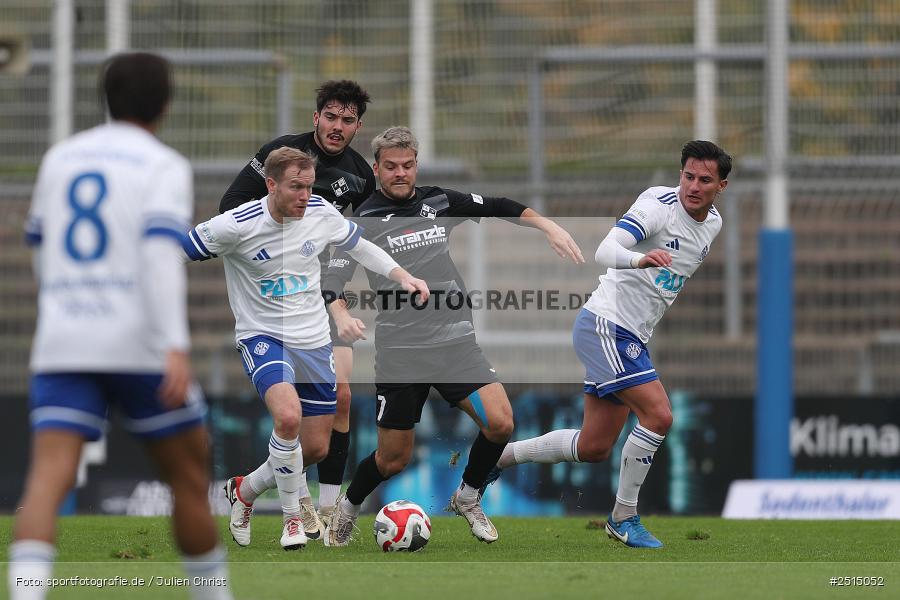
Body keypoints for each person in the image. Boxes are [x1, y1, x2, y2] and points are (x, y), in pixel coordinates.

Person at [9, 53, 232, 600]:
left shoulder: (61, 157)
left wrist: (62, 306)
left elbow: (37, 243)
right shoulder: (163, 165)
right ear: (165, 105)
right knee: (188, 474)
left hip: (64, 342)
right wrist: (174, 346)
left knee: (47, 477)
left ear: (104, 98)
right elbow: (160, 258)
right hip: (139, 346)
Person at [320, 126, 584, 547]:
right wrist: (341, 314)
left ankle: (469, 496)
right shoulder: (360, 222)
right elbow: (332, 280)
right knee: (394, 459)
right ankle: (347, 508)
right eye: (391, 167)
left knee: (501, 423)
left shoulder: (438, 201)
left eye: (407, 165)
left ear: (416, 165)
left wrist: (548, 227)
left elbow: (499, 205)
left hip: (456, 344)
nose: (400, 173)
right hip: (401, 353)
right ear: (377, 168)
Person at [483, 140, 731, 548]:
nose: (693, 186)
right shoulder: (658, 206)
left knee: (594, 446)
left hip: (631, 333)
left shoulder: (714, 223)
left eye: (705, 180)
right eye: (688, 176)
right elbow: (604, 250)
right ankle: (624, 517)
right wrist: (640, 259)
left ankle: (498, 458)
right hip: (606, 325)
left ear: (721, 186)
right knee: (660, 416)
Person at [184, 146, 428, 550]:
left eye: (309, 186)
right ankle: (293, 520)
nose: (305, 195)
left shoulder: (319, 212)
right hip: (263, 336)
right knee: (287, 417)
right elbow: (179, 250)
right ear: (270, 184)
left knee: (315, 447)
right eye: (295, 187)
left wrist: (403, 275)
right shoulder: (235, 225)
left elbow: (361, 246)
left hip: (313, 339)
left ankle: (244, 491)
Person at [220, 80, 373, 534]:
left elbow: (355, 242)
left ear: (356, 127)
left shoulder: (360, 175)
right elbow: (230, 207)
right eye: (331, 116)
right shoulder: (279, 153)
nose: (337, 126)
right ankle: (309, 514)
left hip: (327, 296)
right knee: (294, 414)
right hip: (277, 296)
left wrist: (339, 295)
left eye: (347, 120)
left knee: (336, 410)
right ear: (316, 118)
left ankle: (258, 490)